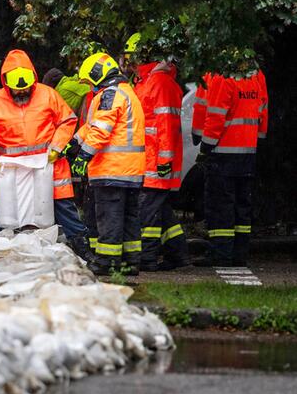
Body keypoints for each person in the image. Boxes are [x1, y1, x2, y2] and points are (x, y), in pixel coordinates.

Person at [0, 50, 88, 258]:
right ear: (7, 84)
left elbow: (68, 120)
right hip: (11, 168)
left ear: (32, 80)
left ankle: (83, 248)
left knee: (63, 206)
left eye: (25, 89)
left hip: (47, 164)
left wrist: (57, 147)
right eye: (17, 90)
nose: (22, 93)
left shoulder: (48, 95)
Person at [68, 52, 146, 275]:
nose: (89, 86)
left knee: (109, 218)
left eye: (89, 81)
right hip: (131, 170)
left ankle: (107, 262)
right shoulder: (126, 92)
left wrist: (83, 156)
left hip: (111, 169)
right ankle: (131, 262)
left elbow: (101, 130)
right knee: (129, 218)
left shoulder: (109, 94)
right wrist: (73, 143)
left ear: (97, 75)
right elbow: (94, 126)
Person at [123, 34, 191, 271]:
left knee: (147, 213)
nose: (129, 64)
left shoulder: (159, 83)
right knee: (162, 212)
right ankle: (179, 255)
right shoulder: (146, 81)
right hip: (148, 160)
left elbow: (166, 126)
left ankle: (147, 259)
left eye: (132, 59)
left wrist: (164, 161)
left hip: (156, 162)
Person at [195, 67, 268, 267]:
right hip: (248, 151)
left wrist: (205, 147)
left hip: (224, 153)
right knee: (242, 206)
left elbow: (216, 116)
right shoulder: (256, 76)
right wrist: (256, 138)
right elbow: (262, 110)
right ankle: (239, 254)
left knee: (221, 206)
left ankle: (221, 254)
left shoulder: (222, 77)